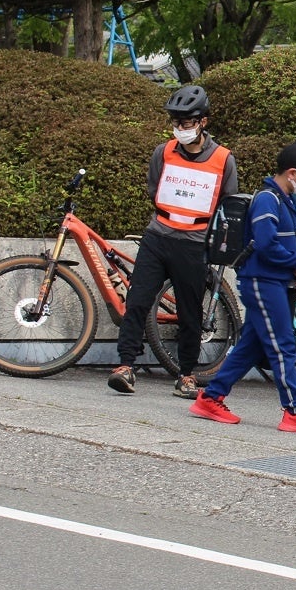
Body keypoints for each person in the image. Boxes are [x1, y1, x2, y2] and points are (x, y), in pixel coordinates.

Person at [189, 143, 296, 434]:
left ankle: (210, 398)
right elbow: (267, 244)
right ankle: (295, 411)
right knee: (283, 346)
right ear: (293, 173)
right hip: (262, 282)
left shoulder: (285, 199)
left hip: (273, 281)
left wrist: (293, 269)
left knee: (250, 347)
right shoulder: (269, 199)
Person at [110, 85, 238, 399]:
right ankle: (125, 366)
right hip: (158, 235)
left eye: (188, 122)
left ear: (203, 122)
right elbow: (154, 190)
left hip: (194, 242)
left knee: (190, 311)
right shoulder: (163, 152)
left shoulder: (223, 159)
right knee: (138, 300)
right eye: (177, 122)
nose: (181, 128)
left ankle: (186, 375)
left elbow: (228, 203)